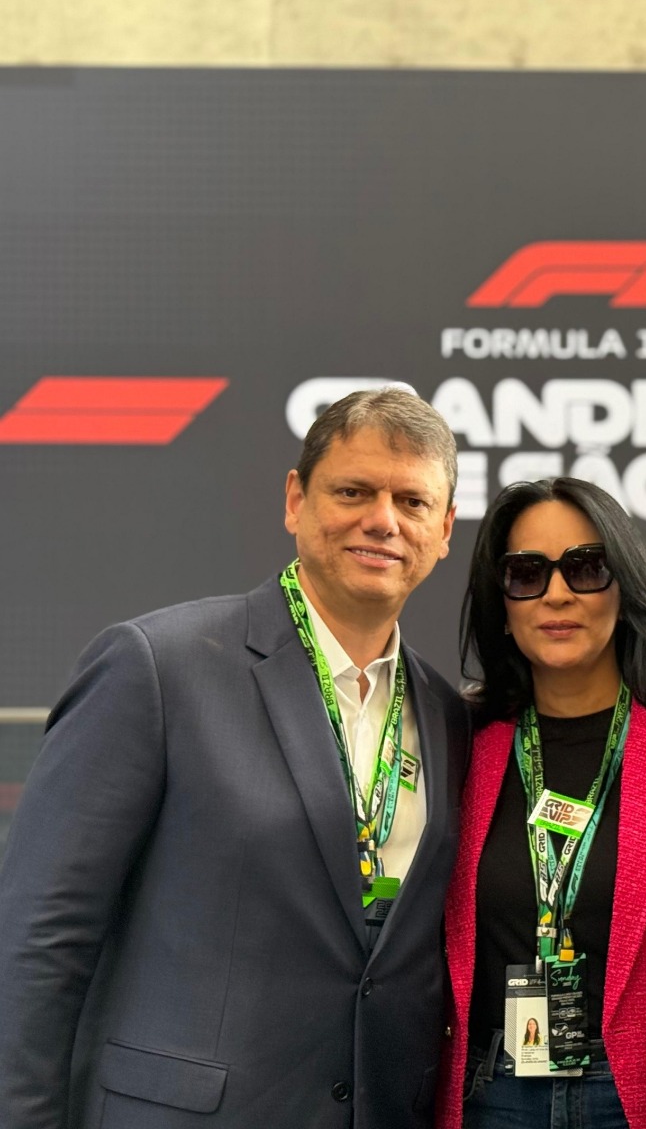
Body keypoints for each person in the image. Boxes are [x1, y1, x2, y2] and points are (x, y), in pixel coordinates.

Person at [0, 387, 469, 1128]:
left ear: (443, 530)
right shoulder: (158, 668)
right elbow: (39, 938)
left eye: (412, 502)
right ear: (296, 500)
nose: (383, 520)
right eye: (353, 491)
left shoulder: (447, 716)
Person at [441, 477, 646, 1129]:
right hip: (494, 1093)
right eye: (527, 574)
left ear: (624, 590)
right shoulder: (458, 740)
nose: (557, 594)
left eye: (586, 568)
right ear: (501, 603)